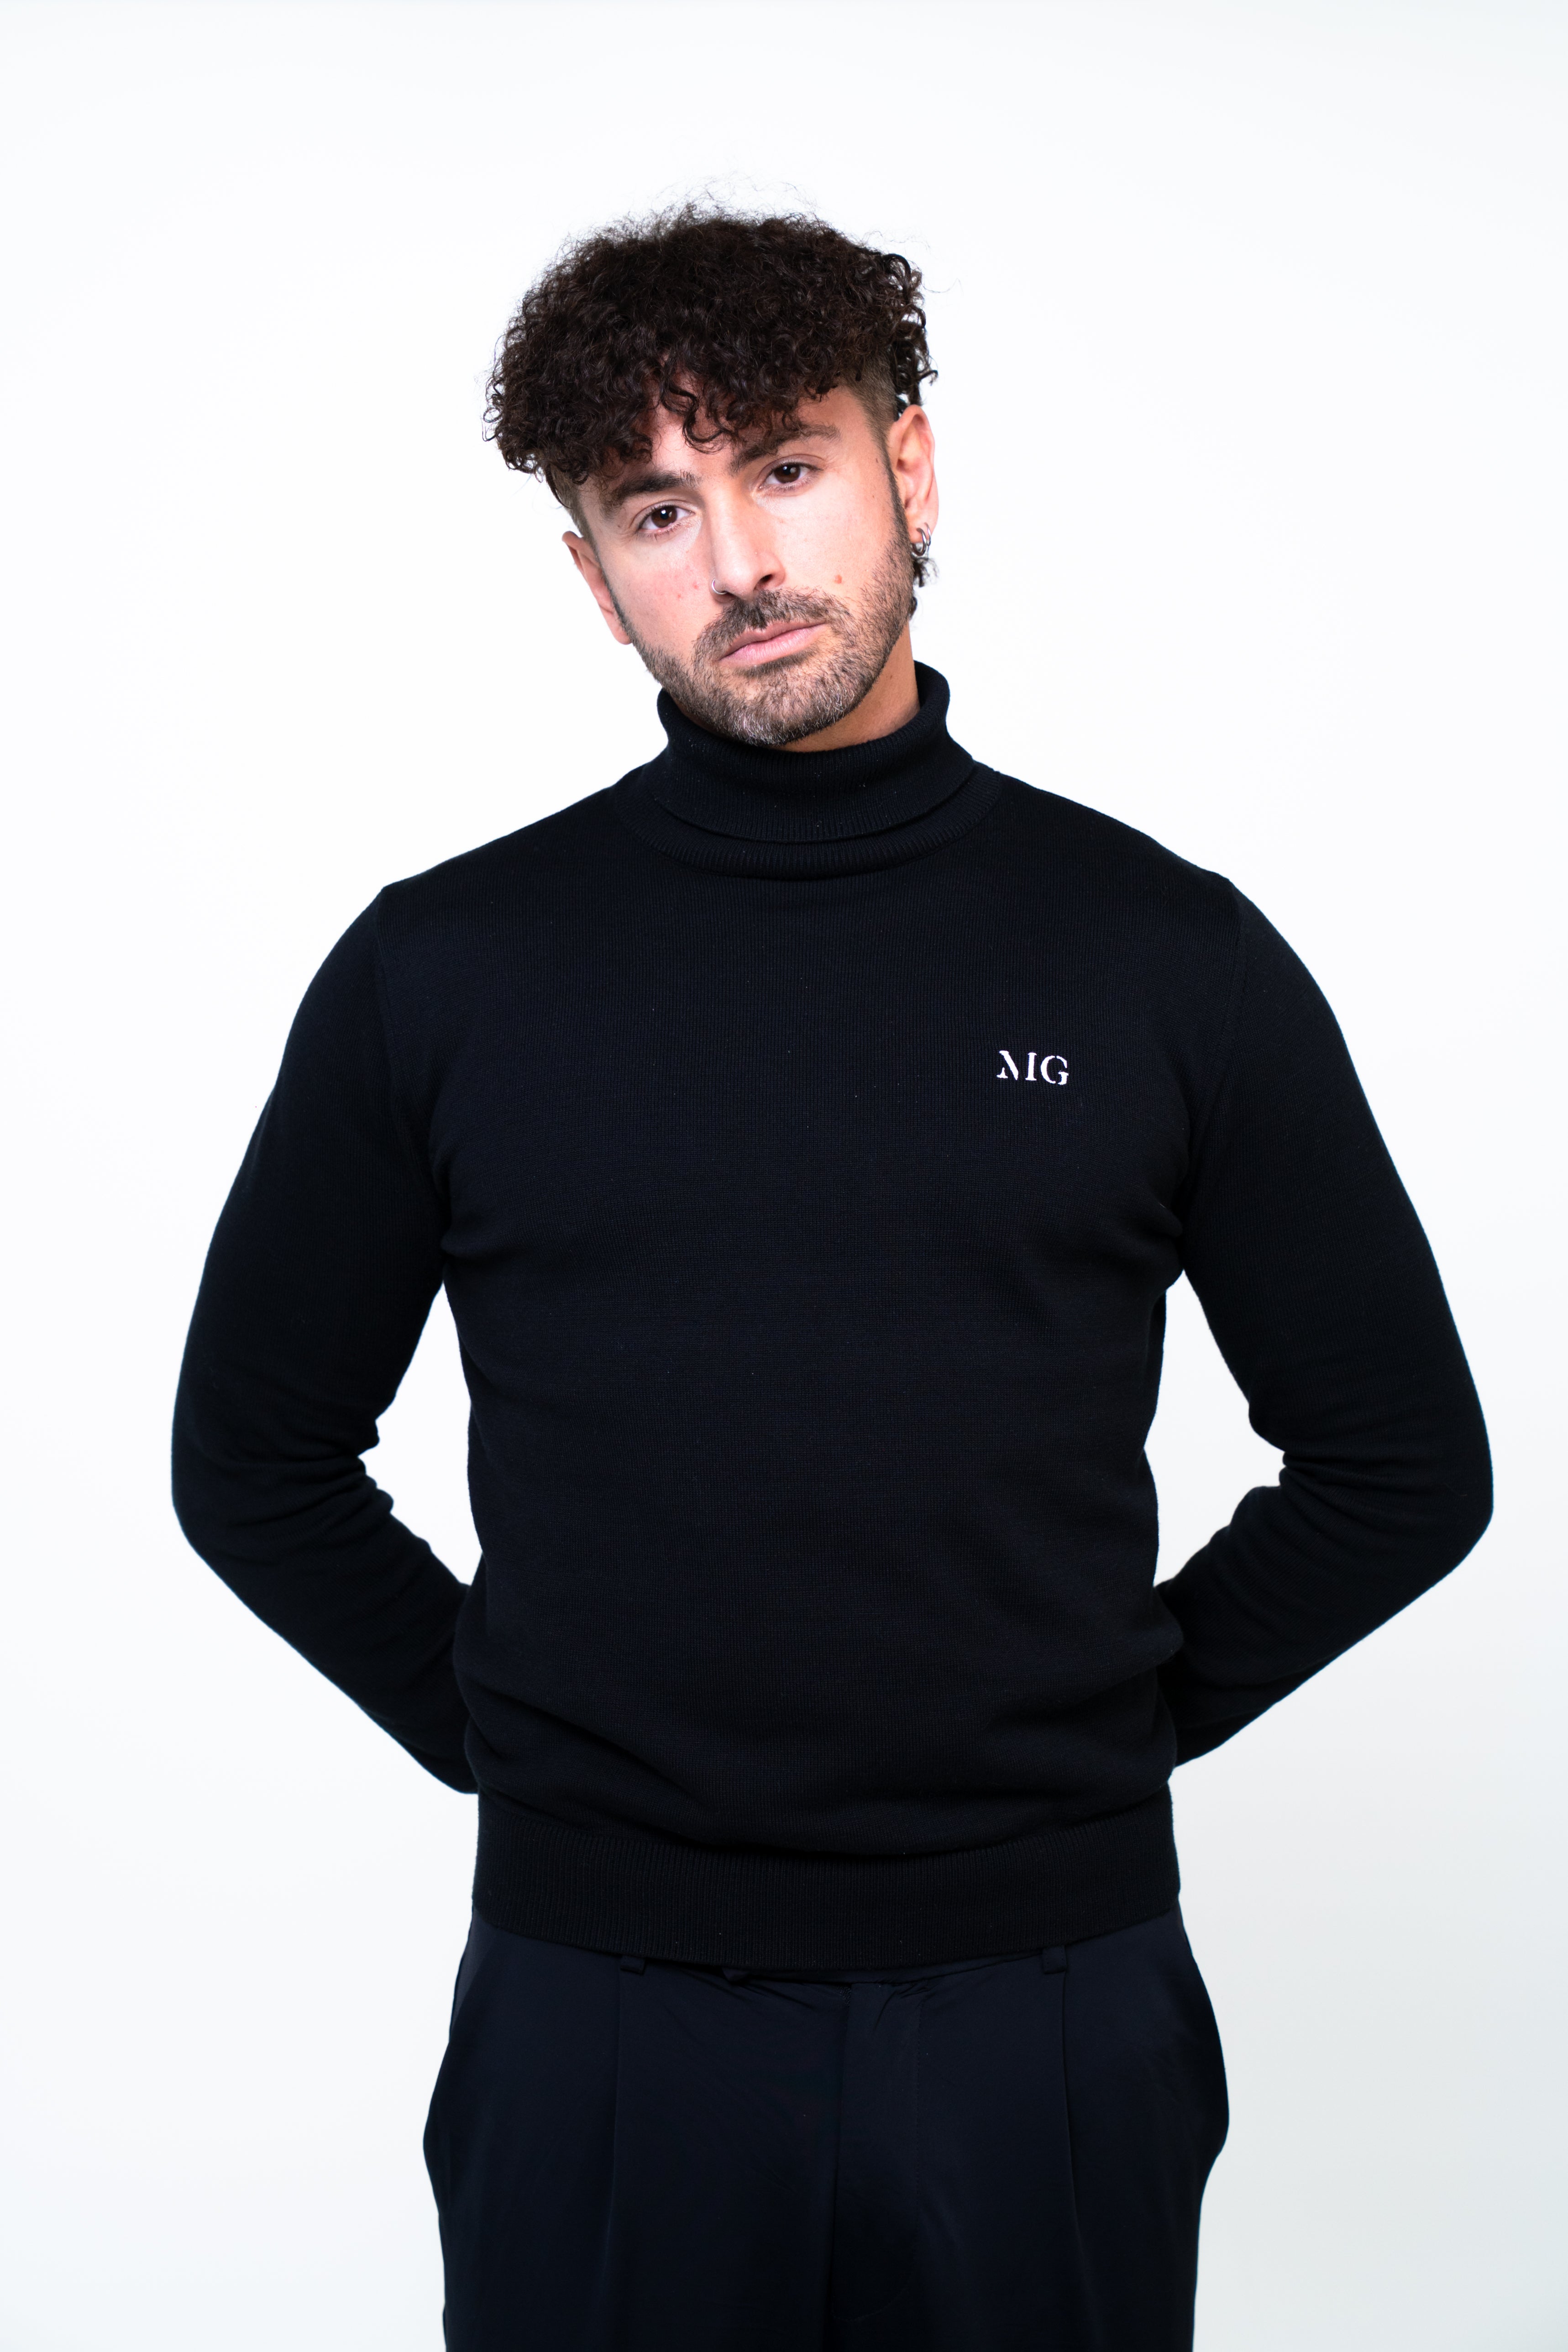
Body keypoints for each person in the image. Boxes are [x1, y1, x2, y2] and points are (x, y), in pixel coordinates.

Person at [172, 205, 1491, 2350]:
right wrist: (514, 1738)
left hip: (1048, 2007)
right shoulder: (448, 972)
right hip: (603, 2015)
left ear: (910, 468)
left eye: (784, 466)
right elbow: (252, 1456)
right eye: (655, 509)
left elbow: (1401, 1464)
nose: (737, 560)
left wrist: (1104, 1730)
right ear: (593, 576)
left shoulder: (1164, 957)